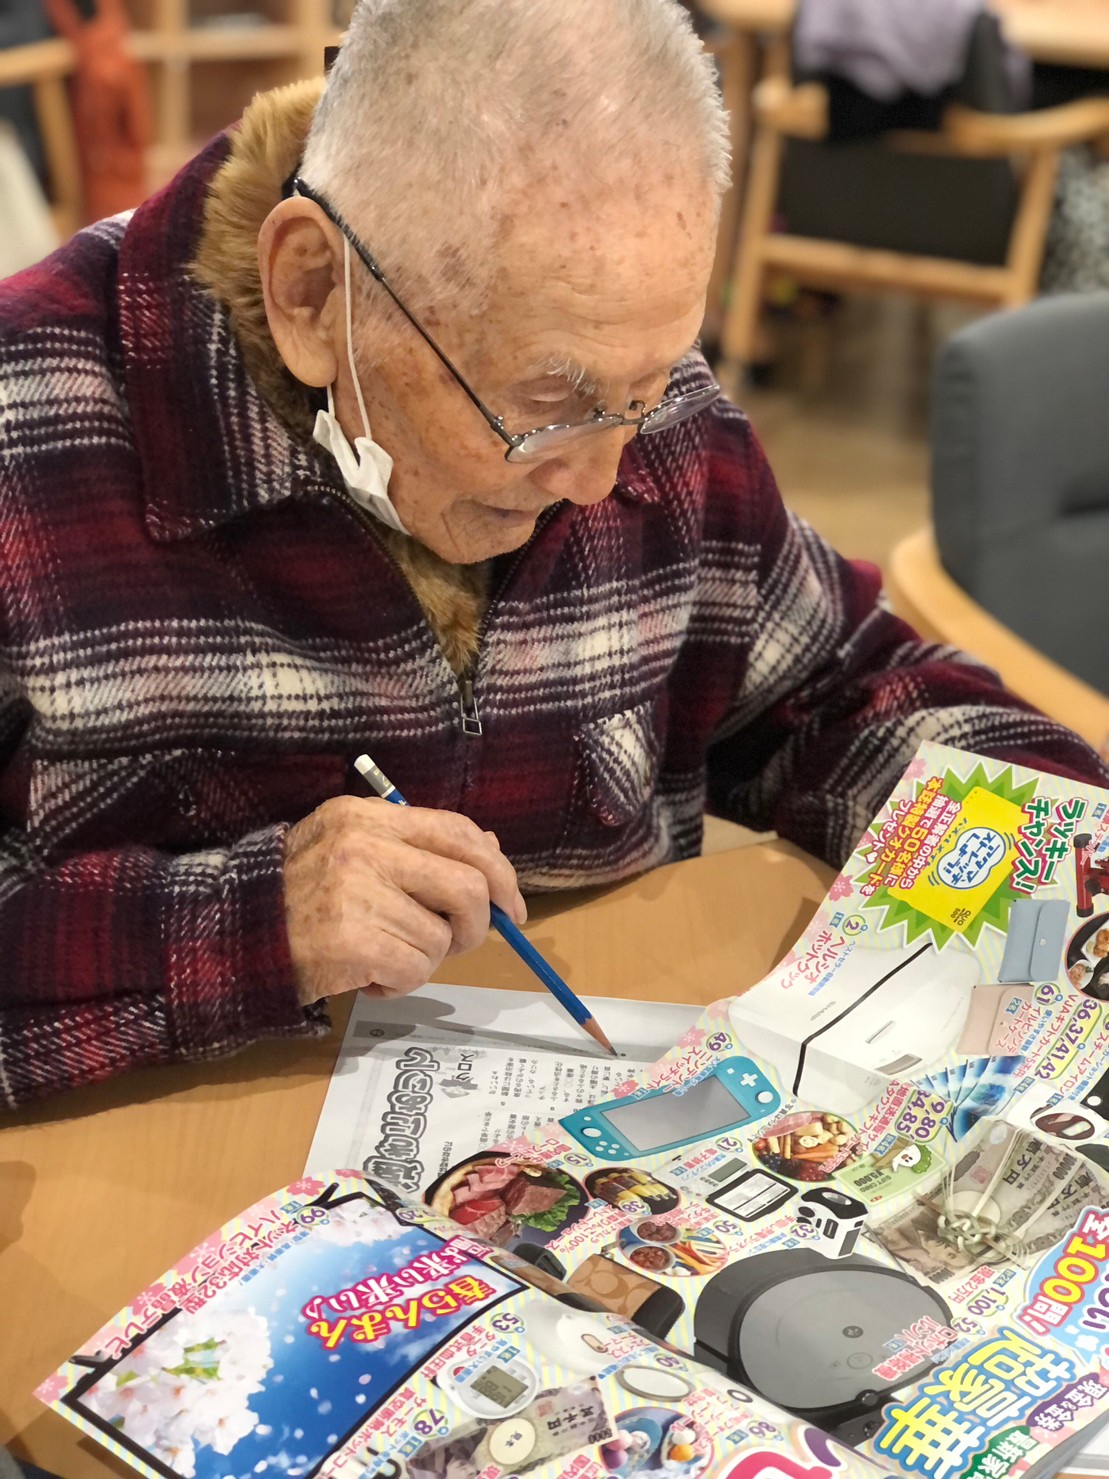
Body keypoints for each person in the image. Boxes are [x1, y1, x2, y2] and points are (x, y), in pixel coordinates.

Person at [0, 0, 1105, 1111]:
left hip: (576, 1112)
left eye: (650, 384)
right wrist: (253, 924)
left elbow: (836, 689)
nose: (600, 476)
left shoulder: (628, 392)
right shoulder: (32, 419)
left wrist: (1068, 852)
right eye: (544, 400)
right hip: (158, 1153)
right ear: (310, 293)